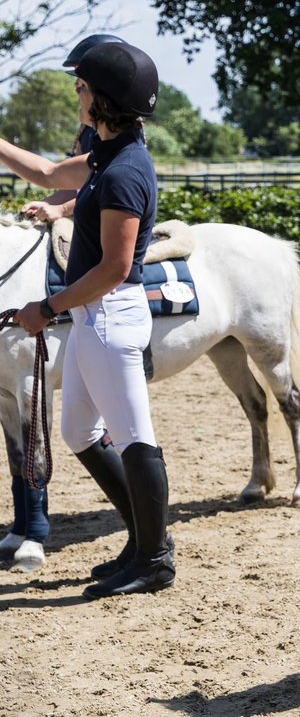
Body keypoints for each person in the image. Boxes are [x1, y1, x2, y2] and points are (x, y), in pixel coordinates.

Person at [0, 41, 175, 598]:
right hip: (89, 317)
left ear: (102, 99)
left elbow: (117, 267)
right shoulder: (107, 153)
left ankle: (155, 559)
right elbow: (50, 172)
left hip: (109, 316)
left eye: (81, 86)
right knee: (78, 430)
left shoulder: (125, 170)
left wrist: (45, 308)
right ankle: (144, 539)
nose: (76, 92)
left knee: (134, 437)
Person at [20, 34, 125, 224]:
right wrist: (45, 205)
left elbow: (101, 192)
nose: (76, 86)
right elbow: (72, 185)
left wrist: (61, 209)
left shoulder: (119, 150)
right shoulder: (87, 132)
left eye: (82, 82)